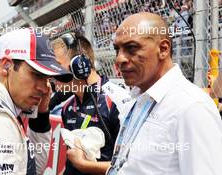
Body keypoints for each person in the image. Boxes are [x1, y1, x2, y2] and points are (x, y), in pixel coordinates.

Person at [107, 12, 222, 175]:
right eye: (117, 50)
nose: (119, 59)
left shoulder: (192, 107)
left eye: (131, 48)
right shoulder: (137, 98)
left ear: (163, 49)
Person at [0, 28, 73, 175]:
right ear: (6, 65)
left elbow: (34, 167)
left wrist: (42, 113)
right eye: (37, 75)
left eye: (47, 78)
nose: (45, 88)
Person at [52, 32, 121, 175]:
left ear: (79, 65)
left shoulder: (117, 102)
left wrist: (84, 165)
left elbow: (130, 165)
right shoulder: (67, 108)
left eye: (56, 65)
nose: (50, 72)